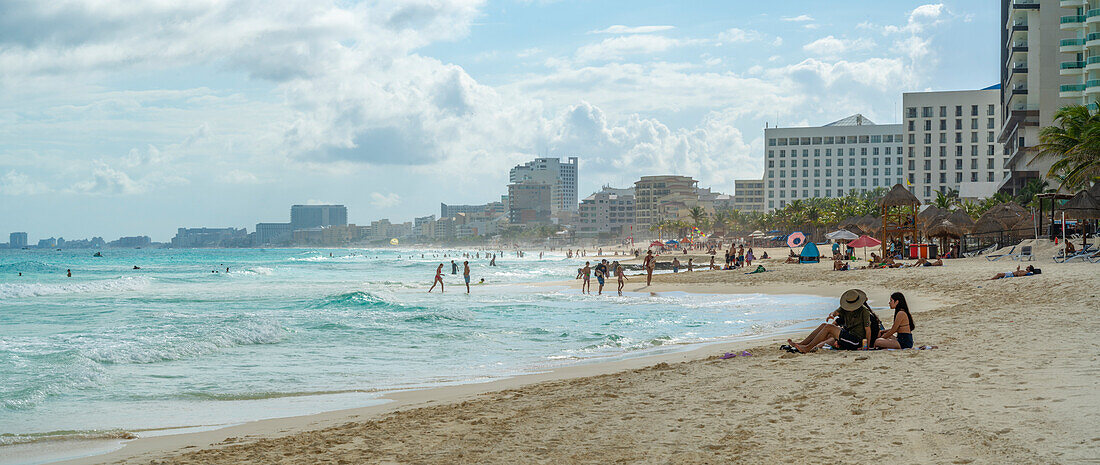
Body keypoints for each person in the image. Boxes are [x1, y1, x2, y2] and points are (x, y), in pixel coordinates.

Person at [787, 289, 874, 353]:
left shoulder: (864, 312)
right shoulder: (845, 308)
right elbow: (836, 312)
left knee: (829, 327)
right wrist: (832, 315)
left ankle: (807, 348)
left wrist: (867, 346)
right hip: (848, 335)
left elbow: (868, 330)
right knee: (823, 325)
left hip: (856, 341)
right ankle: (802, 344)